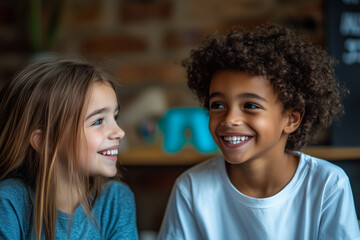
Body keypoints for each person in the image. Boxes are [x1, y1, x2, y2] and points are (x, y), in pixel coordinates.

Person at [158, 25, 360, 239]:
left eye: (251, 106)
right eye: (217, 105)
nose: (229, 119)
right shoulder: (191, 188)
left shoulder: (327, 184)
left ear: (291, 119)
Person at [0, 59, 138, 239]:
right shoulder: (8, 203)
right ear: (45, 141)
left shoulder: (116, 200)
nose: (119, 132)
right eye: (98, 121)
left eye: (115, 117)